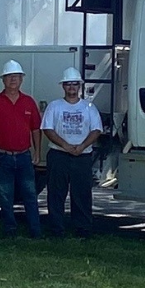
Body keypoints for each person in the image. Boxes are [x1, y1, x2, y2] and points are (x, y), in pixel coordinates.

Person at [0, 60, 42, 237]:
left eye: (16, 76)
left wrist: (37, 152)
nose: (13, 79)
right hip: (2, 156)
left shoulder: (29, 102)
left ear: (22, 79)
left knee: (30, 194)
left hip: (23, 156)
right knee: (5, 196)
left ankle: (35, 230)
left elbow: (36, 128)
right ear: (3, 80)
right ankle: (9, 230)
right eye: (9, 77)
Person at [41, 67, 102, 237]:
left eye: (75, 84)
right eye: (68, 84)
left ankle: (83, 230)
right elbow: (47, 129)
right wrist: (65, 146)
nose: (72, 87)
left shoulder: (89, 107)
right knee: (56, 194)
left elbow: (96, 130)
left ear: (80, 86)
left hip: (82, 156)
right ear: (63, 86)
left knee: (82, 194)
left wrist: (82, 146)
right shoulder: (55, 106)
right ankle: (56, 229)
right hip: (58, 155)